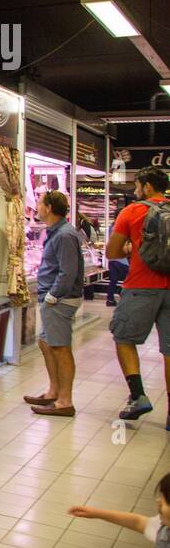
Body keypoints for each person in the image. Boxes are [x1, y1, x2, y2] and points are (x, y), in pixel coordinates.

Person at [106, 167, 170, 426]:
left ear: (146, 186)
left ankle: (138, 395)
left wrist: (132, 246)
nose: (135, 191)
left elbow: (112, 252)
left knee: (122, 337)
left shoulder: (132, 211)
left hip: (141, 285)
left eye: (137, 186)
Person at [22, 191, 86, 417]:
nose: (36, 207)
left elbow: (68, 272)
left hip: (59, 300)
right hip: (52, 298)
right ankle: (53, 391)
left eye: (39, 203)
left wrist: (53, 295)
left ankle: (65, 401)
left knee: (60, 348)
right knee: (46, 343)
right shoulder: (56, 232)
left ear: (48, 208)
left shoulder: (64, 235)